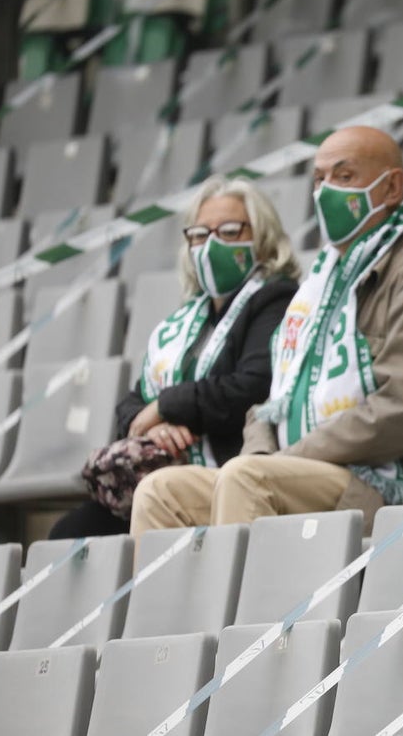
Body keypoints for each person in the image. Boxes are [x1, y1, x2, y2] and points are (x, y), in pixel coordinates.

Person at [130, 126, 403, 536]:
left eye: (344, 176)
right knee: (160, 491)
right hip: (302, 469)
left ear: (391, 187)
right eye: (319, 179)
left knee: (248, 478)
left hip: (388, 480)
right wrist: (267, 454)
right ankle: (176, 604)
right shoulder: (319, 286)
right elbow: (269, 402)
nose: (325, 191)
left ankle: (249, 602)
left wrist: (292, 457)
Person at [49, 176, 300, 538]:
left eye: (229, 231)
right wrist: (156, 423)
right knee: (71, 532)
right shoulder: (187, 321)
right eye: (199, 234)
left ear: (261, 239)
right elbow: (132, 403)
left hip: (232, 471)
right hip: (168, 471)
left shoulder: (276, 300)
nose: (210, 245)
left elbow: (252, 386)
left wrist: (167, 405)